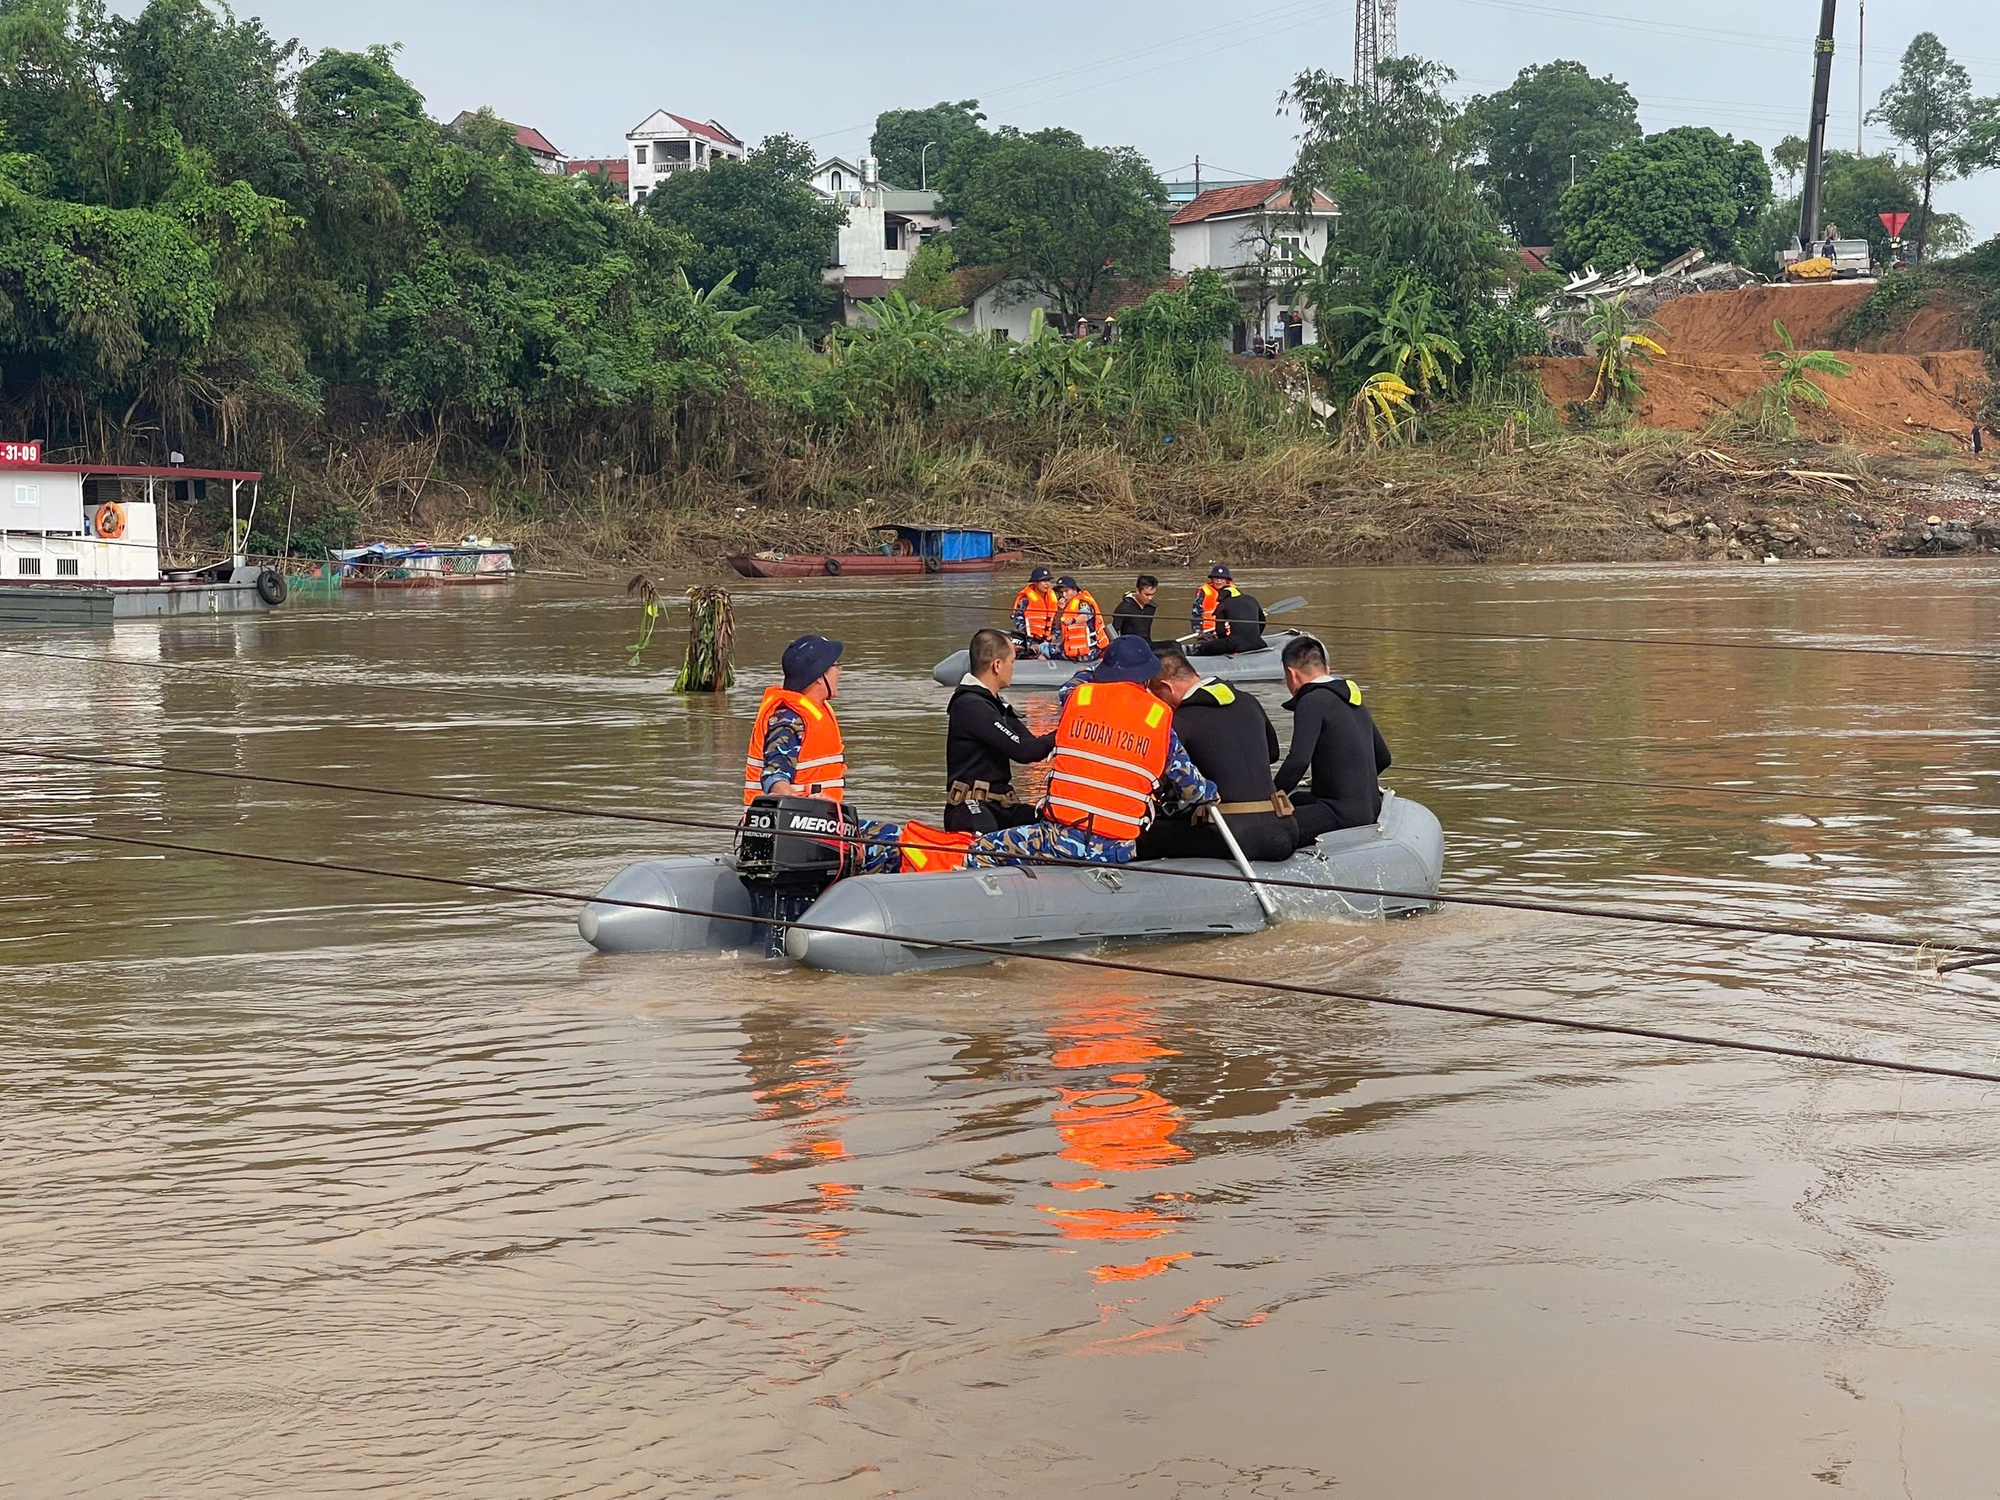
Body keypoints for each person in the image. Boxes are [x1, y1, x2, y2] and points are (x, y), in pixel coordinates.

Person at [969, 635, 1217, 868]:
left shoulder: (1078, 697)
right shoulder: (1159, 720)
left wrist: (1099, 668)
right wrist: (1212, 793)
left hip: (1059, 841)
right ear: (1147, 678)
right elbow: (1194, 790)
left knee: (981, 850)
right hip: (1117, 849)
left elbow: (1073, 683)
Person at [744, 634, 900, 872]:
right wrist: (805, 803)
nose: (840, 672)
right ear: (819, 676)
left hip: (820, 824)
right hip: (796, 830)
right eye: (836, 666)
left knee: (899, 835)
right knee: (893, 844)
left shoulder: (813, 712)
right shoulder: (789, 719)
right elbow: (773, 778)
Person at [1136, 644, 1297, 863]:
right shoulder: (1248, 700)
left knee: (1142, 836)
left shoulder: (1180, 721)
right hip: (1284, 829)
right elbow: (1272, 754)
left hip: (1232, 836)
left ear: (1167, 687)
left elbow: (1160, 780)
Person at [1273, 634, 1391, 842]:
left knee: (1269, 825)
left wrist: (1268, 796)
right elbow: (1383, 757)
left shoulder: (1310, 701)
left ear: (1291, 674)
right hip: (1370, 808)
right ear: (1326, 670)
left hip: (1342, 814)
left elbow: (1298, 761)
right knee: (1299, 798)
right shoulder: (1352, 698)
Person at [943, 628, 1056, 834]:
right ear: (997, 665)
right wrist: (1065, 733)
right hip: (970, 807)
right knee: (985, 836)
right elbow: (1022, 751)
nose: (1013, 668)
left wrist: (1071, 732)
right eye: (1012, 662)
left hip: (1002, 805)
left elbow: (1032, 746)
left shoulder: (995, 704)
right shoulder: (970, 705)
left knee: (1053, 824)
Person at [1191, 580, 1267, 656]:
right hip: (1258, 643)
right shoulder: (1252, 599)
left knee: (1204, 647)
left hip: (1235, 644)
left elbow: (1220, 630)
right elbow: (1263, 622)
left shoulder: (1222, 605)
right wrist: (1256, 635)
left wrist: (1225, 643)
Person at [1046, 576, 1110, 662]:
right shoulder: (1066, 605)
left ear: (1075, 589)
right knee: (1048, 646)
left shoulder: (1083, 602)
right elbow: (1058, 627)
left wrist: (1073, 620)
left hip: (1088, 651)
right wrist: (1060, 610)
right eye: (1061, 592)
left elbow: (1084, 616)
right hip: (1074, 647)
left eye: (1066, 591)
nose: (1063, 595)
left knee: (1043, 648)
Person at [1012, 566, 1059, 650]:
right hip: (1029, 640)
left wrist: (1054, 635)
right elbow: (1018, 622)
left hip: (1047, 640)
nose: (1047, 584)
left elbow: (1055, 621)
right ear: (1035, 582)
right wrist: (1030, 643)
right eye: (1043, 581)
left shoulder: (1053, 598)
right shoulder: (1025, 600)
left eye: (1048, 581)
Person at [1113, 575, 1159, 641]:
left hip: (1147, 645)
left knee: (1173, 645)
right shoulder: (1124, 607)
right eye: (1147, 594)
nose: (1150, 598)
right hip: (1130, 646)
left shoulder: (1151, 607)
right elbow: (1114, 631)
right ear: (1138, 591)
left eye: (1152, 594)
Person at [1190, 565, 1232, 636]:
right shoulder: (1204, 591)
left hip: (1229, 632)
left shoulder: (1233, 591)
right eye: (1216, 578)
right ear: (1212, 579)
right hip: (1208, 632)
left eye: (1222, 578)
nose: (1219, 581)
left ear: (1227, 580)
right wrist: (1198, 630)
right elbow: (1196, 614)